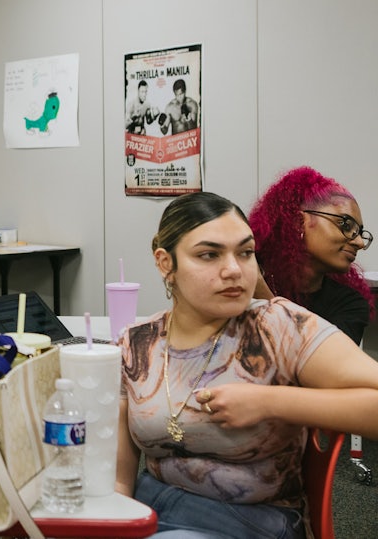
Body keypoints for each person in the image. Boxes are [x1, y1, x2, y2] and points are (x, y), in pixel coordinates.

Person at [116, 191, 378, 538]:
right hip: (150, 509)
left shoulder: (279, 326)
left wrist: (269, 402)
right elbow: (119, 478)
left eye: (245, 252)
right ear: (166, 263)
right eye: (209, 255)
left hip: (249, 522)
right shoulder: (138, 344)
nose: (234, 270)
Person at [248, 166, 374, 345]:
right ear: (299, 223)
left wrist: (262, 294)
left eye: (360, 233)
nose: (360, 243)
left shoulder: (349, 303)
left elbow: (326, 362)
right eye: (346, 225)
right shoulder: (246, 273)